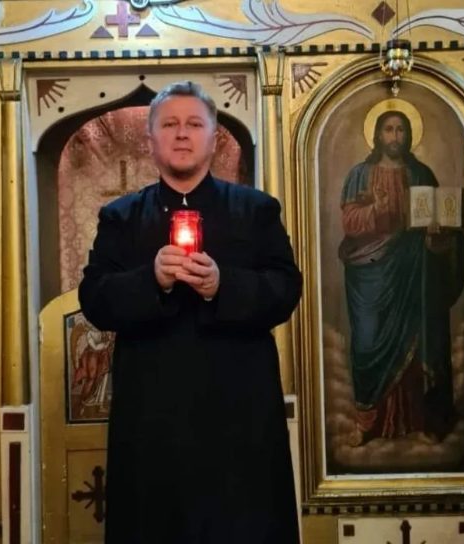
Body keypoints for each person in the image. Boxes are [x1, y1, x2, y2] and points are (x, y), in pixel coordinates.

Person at [79, 81, 302, 544]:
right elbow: (95, 299)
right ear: (151, 140)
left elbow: (286, 289)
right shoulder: (120, 217)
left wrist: (224, 284)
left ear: (213, 137)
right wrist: (151, 280)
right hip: (152, 422)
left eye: (195, 124)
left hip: (240, 419)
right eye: (170, 125)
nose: (182, 134)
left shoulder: (256, 211)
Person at [338, 110, 464, 448]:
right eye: (388, 130)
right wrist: (376, 210)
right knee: (368, 343)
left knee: (420, 338)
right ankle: (368, 421)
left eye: (400, 130)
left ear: (408, 135)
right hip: (370, 273)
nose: (395, 136)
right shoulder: (360, 175)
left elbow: (440, 223)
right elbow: (349, 222)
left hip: (414, 274)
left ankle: (424, 420)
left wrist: (438, 236)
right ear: (377, 135)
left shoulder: (421, 174)